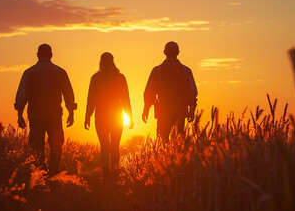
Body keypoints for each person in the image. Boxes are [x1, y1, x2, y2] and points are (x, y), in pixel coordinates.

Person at [15, 44, 77, 176]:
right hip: (54, 116)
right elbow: (68, 94)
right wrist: (71, 113)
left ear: (37, 55)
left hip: (36, 116)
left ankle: (40, 177)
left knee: (37, 148)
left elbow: (22, 95)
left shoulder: (29, 73)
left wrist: (19, 115)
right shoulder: (60, 72)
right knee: (56, 147)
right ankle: (54, 176)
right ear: (51, 55)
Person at [85, 52, 133, 180]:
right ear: (113, 62)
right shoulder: (120, 78)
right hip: (117, 114)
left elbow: (91, 100)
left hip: (101, 114)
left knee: (105, 146)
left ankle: (106, 174)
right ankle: (115, 173)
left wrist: (87, 117)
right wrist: (130, 116)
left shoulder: (96, 78)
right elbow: (126, 99)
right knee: (115, 146)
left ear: (101, 62)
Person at [142, 41, 197, 140]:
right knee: (179, 143)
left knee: (163, 141)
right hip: (180, 111)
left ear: (164, 52)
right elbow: (191, 92)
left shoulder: (157, 70)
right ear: (178, 52)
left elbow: (149, 92)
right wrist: (192, 110)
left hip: (163, 112)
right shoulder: (186, 71)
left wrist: (146, 109)